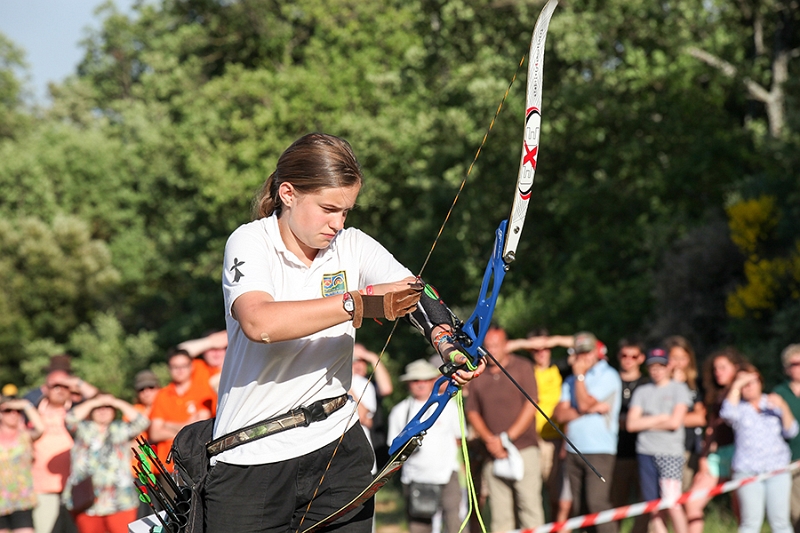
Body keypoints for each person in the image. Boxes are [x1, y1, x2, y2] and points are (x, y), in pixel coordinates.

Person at [205, 132, 483, 533]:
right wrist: (358, 302)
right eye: (328, 209)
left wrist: (447, 342)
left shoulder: (352, 245)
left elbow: (413, 292)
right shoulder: (250, 241)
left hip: (339, 448)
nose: (338, 223)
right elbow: (259, 323)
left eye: (346, 211)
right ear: (288, 193)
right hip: (252, 454)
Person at [466, 325, 544, 532]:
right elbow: (472, 411)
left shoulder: (523, 367)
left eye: (496, 345)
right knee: (500, 516)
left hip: (524, 448)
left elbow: (531, 404)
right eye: (488, 346)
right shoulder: (478, 371)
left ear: (506, 345)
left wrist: (506, 438)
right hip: (493, 453)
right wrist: (491, 441)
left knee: (529, 507)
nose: (491, 350)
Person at [553, 332, 621, 533]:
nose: (583, 357)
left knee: (597, 503)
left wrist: (580, 378)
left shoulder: (608, 375)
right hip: (574, 449)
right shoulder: (570, 379)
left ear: (597, 352)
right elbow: (559, 414)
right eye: (579, 353)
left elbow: (582, 403)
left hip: (599, 450)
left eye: (587, 352)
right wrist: (588, 409)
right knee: (579, 509)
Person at [721, 364, 798, 533]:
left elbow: (791, 431)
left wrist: (783, 407)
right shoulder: (738, 408)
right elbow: (727, 414)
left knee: (780, 522)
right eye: (744, 384)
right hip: (748, 470)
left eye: (752, 382)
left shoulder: (772, 402)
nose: (749, 387)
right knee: (750, 523)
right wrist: (737, 385)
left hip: (777, 468)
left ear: (760, 382)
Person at [387, 360, 461, 533]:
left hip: (447, 474)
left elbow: (458, 439)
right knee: (419, 527)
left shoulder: (450, 407)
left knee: (454, 523)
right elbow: (393, 447)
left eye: (425, 380)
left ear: (433, 381)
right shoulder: (399, 411)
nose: (421, 384)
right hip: (415, 477)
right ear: (408, 383)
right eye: (415, 380)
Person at [62, 394, 150, 533]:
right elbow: (69, 418)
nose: (103, 411)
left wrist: (116, 402)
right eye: (99, 408)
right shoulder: (82, 429)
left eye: (108, 407)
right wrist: (94, 402)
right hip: (87, 503)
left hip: (120, 500)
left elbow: (142, 421)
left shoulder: (121, 428)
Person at [626, 348, 692, 533]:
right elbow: (631, 425)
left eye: (661, 366)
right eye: (653, 367)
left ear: (668, 366)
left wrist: (645, 422)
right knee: (654, 506)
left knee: (672, 502)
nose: (657, 371)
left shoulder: (679, 389)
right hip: (646, 451)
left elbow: (674, 423)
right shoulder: (642, 391)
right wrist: (660, 418)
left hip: (670, 453)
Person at [683, 347, 746, 533]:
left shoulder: (745, 393)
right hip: (718, 456)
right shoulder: (716, 395)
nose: (718, 372)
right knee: (692, 503)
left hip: (740, 455)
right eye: (715, 369)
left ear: (735, 367)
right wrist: (704, 457)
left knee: (741, 509)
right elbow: (711, 428)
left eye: (723, 368)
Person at [506, 328, 564, 521]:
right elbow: (502, 348)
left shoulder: (560, 367)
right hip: (530, 440)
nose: (541, 352)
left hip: (554, 440)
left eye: (544, 348)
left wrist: (552, 340)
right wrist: (528, 344)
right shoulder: (525, 369)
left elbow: (585, 342)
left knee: (556, 495)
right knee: (529, 493)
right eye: (536, 350)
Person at [31, 369, 94, 533]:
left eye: (65, 386)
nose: (60, 390)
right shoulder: (32, 410)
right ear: (45, 388)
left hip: (75, 486)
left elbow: (98, 398)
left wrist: (77, 382)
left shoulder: (78, 410)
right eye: (55, 386)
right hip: (42, 485)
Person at [148, 348, 214, 470]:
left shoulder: (203, 391)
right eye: (175, 367)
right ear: (169, 368)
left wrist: (167, 424)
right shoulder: (162, 395)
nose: (180, 370)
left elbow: (200, 429)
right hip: (167, 466)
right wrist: (186, 427)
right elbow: (155, 433)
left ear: (191, 367)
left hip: (196, 463)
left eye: (184, 366)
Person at [611, 339, 649, 533]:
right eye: (624, 355)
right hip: (616, 452)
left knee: (646, 503)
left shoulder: (647, 384)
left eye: (633, 356)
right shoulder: (610, 380)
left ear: (641, 358)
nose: (628, 360)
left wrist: (629, 421)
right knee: (614, 503)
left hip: (645, 451)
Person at [664, 336, 706, 492]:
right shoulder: (658, 385)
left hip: (688, 447)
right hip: (663, 446)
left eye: (683, 358)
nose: (679, 363)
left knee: (683, 492)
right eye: (674, 358)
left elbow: (700, 418)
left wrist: (670, 419)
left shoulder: (696, 384)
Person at [1, 388, 45, 533]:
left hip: (22, 499)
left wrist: (26, 405)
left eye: (17, 411)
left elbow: (41, 428)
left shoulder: (25, 436)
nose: (13, 414)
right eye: (8, 411)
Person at [773, 344, 800, 533]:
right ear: (786, 368)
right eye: (795, 364)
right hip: (790, 461)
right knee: (796, 515)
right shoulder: (779, 393)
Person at [177, 330, 228, 395]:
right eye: (211, 349)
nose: (216, 353)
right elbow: (177, 355)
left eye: (220, 348)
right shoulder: (198, 367)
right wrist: (210, 342)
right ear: (203, 351)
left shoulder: (235, 368)